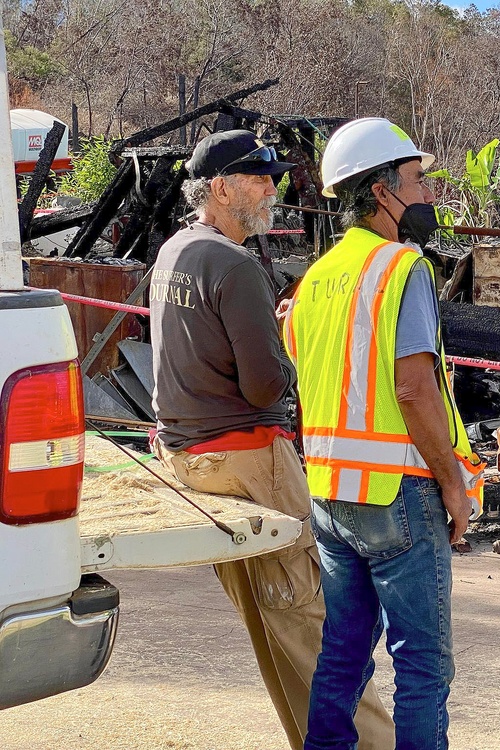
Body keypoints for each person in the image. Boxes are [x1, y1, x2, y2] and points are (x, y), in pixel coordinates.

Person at [148, 129, 394, 750]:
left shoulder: (174, 253)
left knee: (272, 627)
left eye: (272, 177)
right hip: (250, 459)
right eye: (258, 178)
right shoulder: (234, 265)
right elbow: (263, 389)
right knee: (315, 621)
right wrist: (287, 344)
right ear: (221, 188)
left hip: (190, 462)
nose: (272, 188)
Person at [283, 117, 484, 750]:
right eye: (417, 180)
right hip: (398, 494)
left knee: (344, 654)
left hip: (330, 494)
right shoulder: (402, 267)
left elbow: (311, 371)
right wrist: (452, 480)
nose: (426, 194)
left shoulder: (315, 280)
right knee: (424, 669)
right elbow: (412, 388)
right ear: (380, 191)